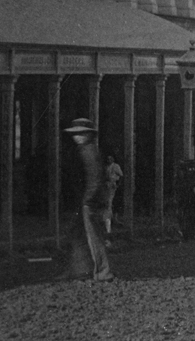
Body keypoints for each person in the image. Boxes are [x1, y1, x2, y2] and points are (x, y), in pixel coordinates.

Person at [61, 118, 113, 282]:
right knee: (78, 235)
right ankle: (79, 270)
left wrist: (87, 200)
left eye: (80, 133)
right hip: (85, 200)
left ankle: (103, 272)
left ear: (88, 135)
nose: (77, 136)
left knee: (93, 237)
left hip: (89, 202)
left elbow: (95, 178)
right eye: (75, 133)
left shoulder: (88, 152)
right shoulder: (84, 150)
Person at [103, 154, 123, 237]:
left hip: (113, 185)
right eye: (108, 158)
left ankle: (110, 223)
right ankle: (108, 221)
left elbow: (121, 176)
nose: (109, 160)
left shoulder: (115, 166)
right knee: (107, 203)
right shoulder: (106, 167)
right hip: (107, 185)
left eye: (110, 158)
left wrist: (118, 185)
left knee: (109, 202)